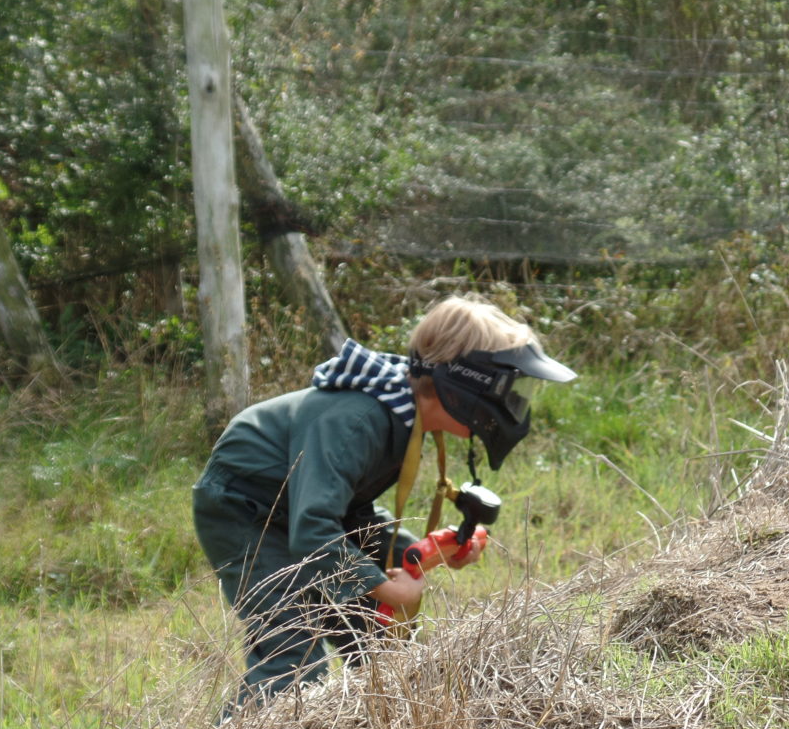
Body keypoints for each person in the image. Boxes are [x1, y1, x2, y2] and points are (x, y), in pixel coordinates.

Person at [191, 295, 576, 706]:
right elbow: (313, 529)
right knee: (294, 660)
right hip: (245, 510)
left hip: (307, 512)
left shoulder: (403, 413)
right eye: (511, 390)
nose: (515, 404)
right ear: (467, 385)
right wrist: (389, 591)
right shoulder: (358, 420)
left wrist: (427, 551)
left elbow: (350, 511)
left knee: (378, 641)